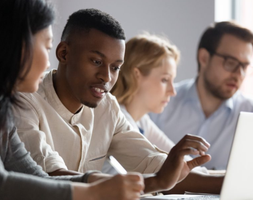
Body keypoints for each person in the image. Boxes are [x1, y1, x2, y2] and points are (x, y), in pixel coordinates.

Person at [0, 1, 146, 200]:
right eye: (47, 45)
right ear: (15, 44)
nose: (48, 62)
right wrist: (92, 192)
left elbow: (36, 177)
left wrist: (92, 181)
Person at [14, 8, 223, 194]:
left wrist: (175, 167)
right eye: (96, 62)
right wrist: (157, 180)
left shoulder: (107, 107)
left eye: (115, 67)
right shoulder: (25, 101)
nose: (106, 77)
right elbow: (51, 176)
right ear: (63, 53)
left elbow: (151, 163)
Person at [149, 21, 253, 170]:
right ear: (204, 58)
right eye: (231, 63)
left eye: (244, 66)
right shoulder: (162, 102)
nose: (239, 75)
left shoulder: (250, 113)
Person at [111, 33, 209, 174]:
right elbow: (165, 169)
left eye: (172, 80)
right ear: (136, 75)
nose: (172, 91)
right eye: (164, 80)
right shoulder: (119, 118)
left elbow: (184, 163)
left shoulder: (142, 121)